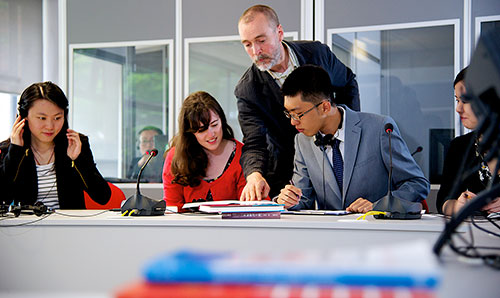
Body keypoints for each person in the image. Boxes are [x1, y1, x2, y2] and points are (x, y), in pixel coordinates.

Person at [235, 5, 360, 200]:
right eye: (247, 44)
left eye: (261, 40)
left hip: (338, 158)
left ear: (279, 33)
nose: (256, 51)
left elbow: (348, 83)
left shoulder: (317, 54)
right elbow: (254, 143)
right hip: (288, 173)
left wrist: (347, 130)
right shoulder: (247, 90)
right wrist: (254, 175)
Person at [276, 65, 429, 212]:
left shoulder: (379, 128)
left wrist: (378, 205)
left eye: (298, 114)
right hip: (329, 235)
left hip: (377, 231)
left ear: (325, 107)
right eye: (289, 114)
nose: (293, 121)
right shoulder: (302, 141)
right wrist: (287, 200)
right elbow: (303, 199)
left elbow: (417, 184)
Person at [0, 82, 111, 209]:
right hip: (25, 227)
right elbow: (3, 196)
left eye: (57, 118)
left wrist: (78, 160)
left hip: (68, 225)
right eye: (42, 118)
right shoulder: (10, 150)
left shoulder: (76, 144)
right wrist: (16, 151)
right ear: (23, 117)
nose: (50, 126)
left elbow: (103, 197)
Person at [162, 91, 247, 211]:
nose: (211, 134)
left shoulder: (242, 154)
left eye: (214, 124)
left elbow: (250, 208)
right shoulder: (175, 158)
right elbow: (172, 208)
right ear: (190, 133)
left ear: (222, 120)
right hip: (187, 228)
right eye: (202, 130)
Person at [437, 68, 500, 215]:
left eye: (465, 100)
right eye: (457, 100)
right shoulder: (459, 146)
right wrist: (458, 206)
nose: (458, 109)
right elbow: (442, 202)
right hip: (473, 235)